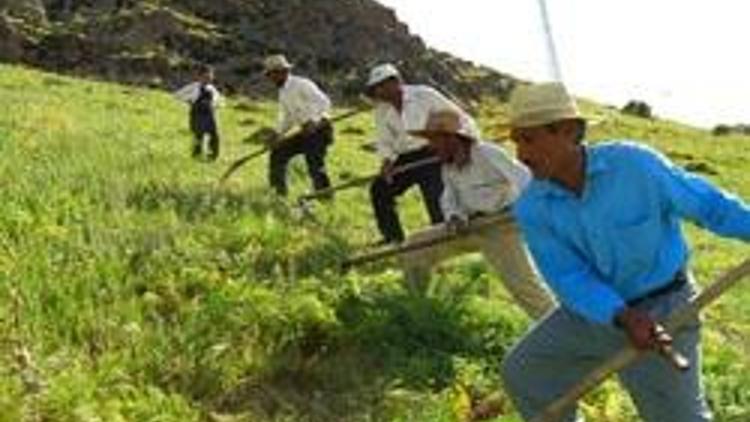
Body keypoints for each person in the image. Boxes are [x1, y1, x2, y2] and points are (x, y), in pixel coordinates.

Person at [501, 81, 750, 421]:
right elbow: (570, 277)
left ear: (570, 132)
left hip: (666, 309)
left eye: (529, 139)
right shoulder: (532, 207)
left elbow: (709, 206)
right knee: (527, 372)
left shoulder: (635, 167)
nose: (521, 155)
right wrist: (622, 316)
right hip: (594, 315)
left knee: (678, 418)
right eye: (516, 141)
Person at [401, 109, 555, 318]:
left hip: (501, 225)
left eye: (435, 139)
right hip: (468, 226)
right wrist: (454, 217)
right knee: (414, 247)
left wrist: (527, 208)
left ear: (451, 138)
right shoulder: (449, 165)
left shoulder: (487, 153)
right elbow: (449, 198)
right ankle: (418, 310)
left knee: (524, 288)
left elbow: (525, 179)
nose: (431, 146)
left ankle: (559, 328)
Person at [365, 63, 478, 244]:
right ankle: (392, 237)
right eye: (376, 89)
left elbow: (458, 118)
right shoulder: (381, 110)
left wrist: (463, 144)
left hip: (433, 152)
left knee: (436, 196)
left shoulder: (424, 95)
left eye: (382, 86)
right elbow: (385, 141)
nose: (379, 92)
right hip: (405, 156)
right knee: (380, 189)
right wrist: (386, 161)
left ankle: (445, 237)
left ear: (395, 82)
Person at [262, 54, 333, 197]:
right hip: (304, 131)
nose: (271, 79)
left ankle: (325, 197)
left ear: (283, 72)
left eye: (272, 74)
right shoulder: (283, 92)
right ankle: (279, 195)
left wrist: (314, 121)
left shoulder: (301, 84)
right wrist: (277, 134)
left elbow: (324, 102)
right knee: (278, 153)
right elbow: (287, 117)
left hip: (320, 129)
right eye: (269, 75)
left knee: (314, 164)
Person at [173, 64, 222, 161]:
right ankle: (196, 155)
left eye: (210, 76)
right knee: (198, 135)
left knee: (215, 135)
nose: (208, 78)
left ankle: (212, 156)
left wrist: (215, 105)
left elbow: (220, 100)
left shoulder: (212, 89)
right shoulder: (193, 87)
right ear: (199, 76)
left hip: (210, 114)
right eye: (206, 76)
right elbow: (177, 95)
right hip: (197, 113)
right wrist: (189, 100)